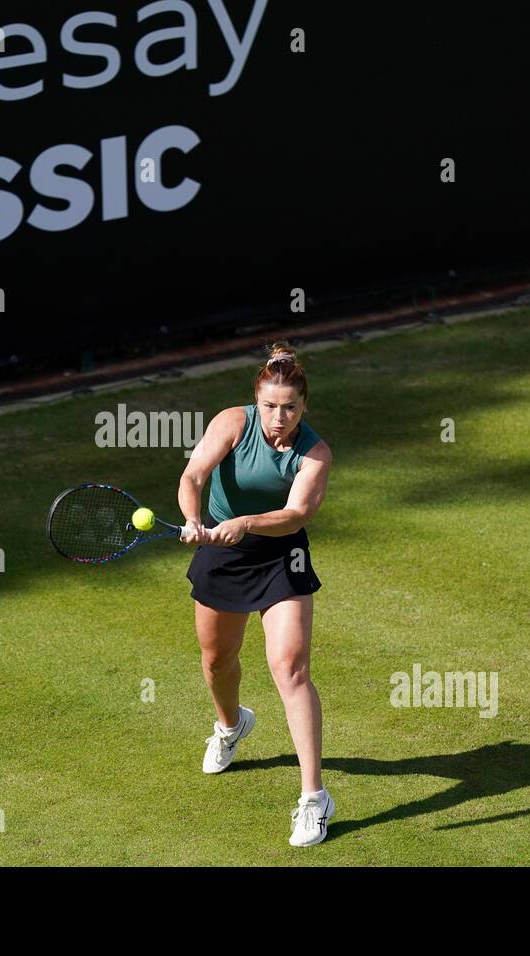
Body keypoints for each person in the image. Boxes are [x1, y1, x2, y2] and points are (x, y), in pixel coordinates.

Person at [177, 341, 334, 846]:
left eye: (290, 407)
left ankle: (314, 798)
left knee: (290, 668)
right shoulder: (232, 422)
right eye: (270, 406)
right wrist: (194, 518)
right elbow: (194, 474)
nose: (279, 417)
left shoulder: (315, 453)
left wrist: (245, 522)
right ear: (256, 402)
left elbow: (295, 515)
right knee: (217, 660)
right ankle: (230, 726)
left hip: (280, 557)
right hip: (221, 552)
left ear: (303, 406)